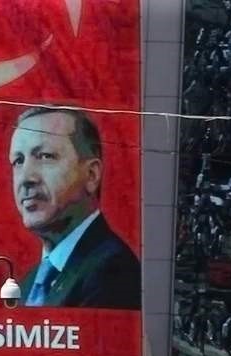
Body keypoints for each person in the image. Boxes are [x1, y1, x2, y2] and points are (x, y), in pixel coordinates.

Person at [9, 105, 141, 308]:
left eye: (45, 156)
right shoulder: (27, 285)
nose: (26, 178)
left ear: (91, 175)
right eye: (18, 161)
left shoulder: (112, 271)